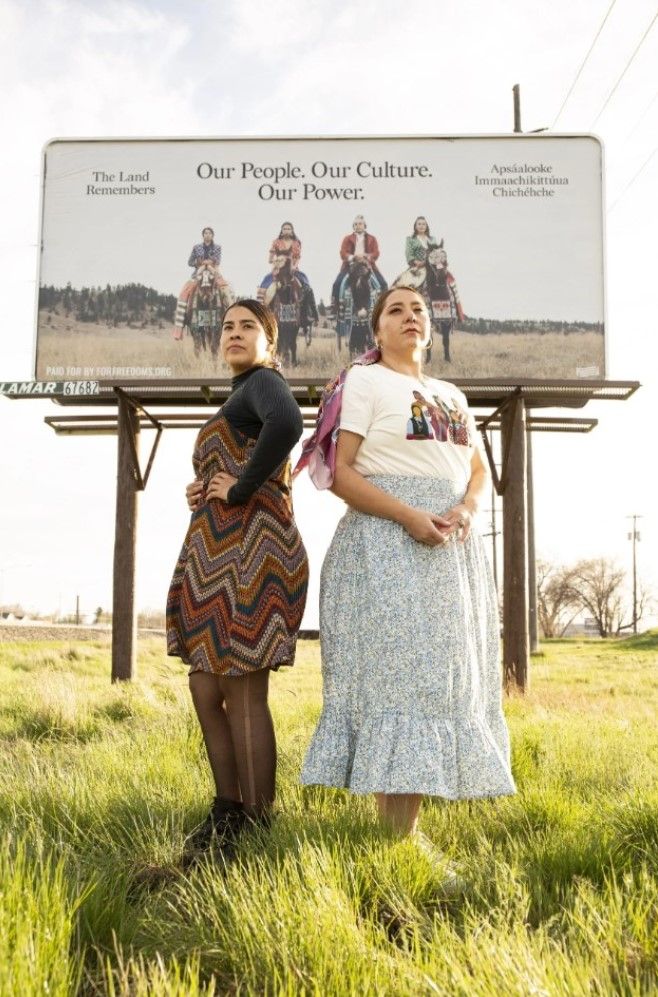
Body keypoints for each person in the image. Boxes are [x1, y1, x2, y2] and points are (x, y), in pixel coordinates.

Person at [299, 286, 515, 868]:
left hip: (448, 547)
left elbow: (477, 473)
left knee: (435, 686)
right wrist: (408, 516)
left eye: (418, 308)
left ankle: (399, 843)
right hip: (386, 542)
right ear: (377, 332)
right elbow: (340, 475)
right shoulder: (365, 383)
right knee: (398, 686)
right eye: (395, 309)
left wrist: (466, 511)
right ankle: (400, 847)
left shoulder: (451, 395)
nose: (410, 315)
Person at [167, 299, 309, 859]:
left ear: (269, 342)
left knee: (244, 688)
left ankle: (255, 823)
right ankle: (227, 809)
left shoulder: (262, 382)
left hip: (253, 552)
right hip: (220, 554)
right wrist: (205, 486)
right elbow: (238, 457)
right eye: (227, 326)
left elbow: (289, 424)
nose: (234, 333)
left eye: (248, 326)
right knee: (206, 685)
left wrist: (242, 487)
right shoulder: (238, 394)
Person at [173, 227, 230, 340]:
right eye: (205, 233)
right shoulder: (196, 247)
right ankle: (180, 325)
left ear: (212, 235)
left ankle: (230, 317)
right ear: (202, 235)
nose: (207, 235)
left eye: (209, 233)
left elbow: (217, 261)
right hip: (198, 273)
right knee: (184, 292)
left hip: (213, 273)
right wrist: (199, 264)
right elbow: (190, 262)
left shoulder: (217, 247)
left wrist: (206, 263)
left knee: (227, 291)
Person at [331, 214, 386, 311]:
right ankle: (335, 307)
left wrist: (366, 256)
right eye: (355, 224)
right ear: (353, 226)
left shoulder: (372, 239)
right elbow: (343, 253)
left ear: (365, 225)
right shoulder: (347, 238)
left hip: (367, 265)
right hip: (351, 265)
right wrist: (353, 257)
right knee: (337, 283)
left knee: (383, 283)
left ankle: (385, 306)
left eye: (360, 224)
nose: (358, 226)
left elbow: (376, 253)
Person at [257, 222, 310, 301]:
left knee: (305, 280)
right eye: (284, 229)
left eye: (288, 229)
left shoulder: (296, 243)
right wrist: (274, 260)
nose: (286, 230)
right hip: (278, 270)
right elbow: (270, 259)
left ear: (292, 231)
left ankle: (308, 305)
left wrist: (294, 267)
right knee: (265, 281)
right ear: (281, 231)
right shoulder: (276, 242)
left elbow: (297, 257)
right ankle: (260, 304)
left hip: (292, 269)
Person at [393, 216, 439, 288]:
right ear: (415, 226)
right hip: (418, 267)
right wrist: (416, 262)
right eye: (419, 224)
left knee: (448, 279)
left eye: (423, 224)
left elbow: (437, 253)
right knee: (405, 283)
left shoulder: (433, 239)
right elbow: (409, 254)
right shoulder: (411, 240)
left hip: (433, 267)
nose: (421, 226)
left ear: (426, 226)